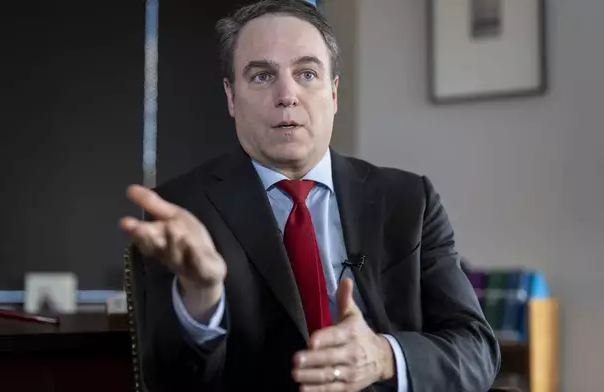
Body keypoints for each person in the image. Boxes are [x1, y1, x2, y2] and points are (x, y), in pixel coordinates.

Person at [119, 1, 500, 391]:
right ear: (231, 98)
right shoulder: (183, 211)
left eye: (306, 73)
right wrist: (201, 297)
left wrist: (383, 356)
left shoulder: (408, 202)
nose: (287, 95)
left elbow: (476, 350)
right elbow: (166, 383)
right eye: (262, 76)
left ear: (333, 93)